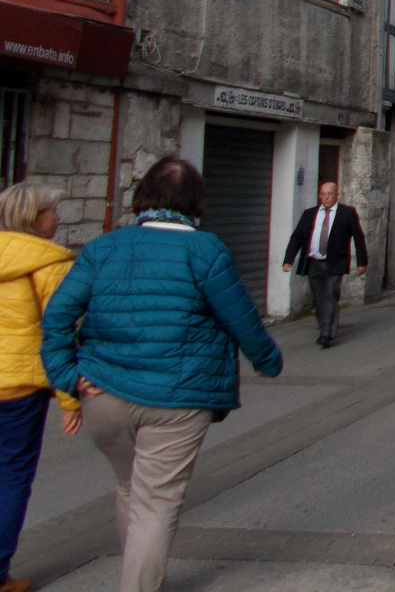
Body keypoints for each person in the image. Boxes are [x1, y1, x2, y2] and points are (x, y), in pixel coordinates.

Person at [41, 156, 282, 592]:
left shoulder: (103, 248)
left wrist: (68, 375)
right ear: (196, 203)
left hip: (103, 394)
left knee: (131, 488)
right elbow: (242, 320)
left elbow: (56, 316)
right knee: (156, 501)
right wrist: (268, 362)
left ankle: (137, 572)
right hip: (178, 399)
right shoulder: (204, 250)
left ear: (144, 197)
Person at [0, 184, 81, 592]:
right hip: (18, 389)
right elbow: (59, 334)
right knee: (12, 476)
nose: (57, 217)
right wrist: (69, 397)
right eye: (52, 210)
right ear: (35, 218)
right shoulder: (50, 263)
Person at [282, 182, 368, 348]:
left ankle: (326, 333)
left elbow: (358, 237)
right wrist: (288, 260)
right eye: (323, 194)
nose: (326, 197)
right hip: (314, 262)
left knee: (330, 293)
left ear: (337, 195)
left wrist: (362, 262)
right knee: (319, 297)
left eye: (329, 193)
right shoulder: (309, 214)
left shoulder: (347, 213)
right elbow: (297, 237)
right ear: (319, 195)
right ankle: (326, 327)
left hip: (335, 262)